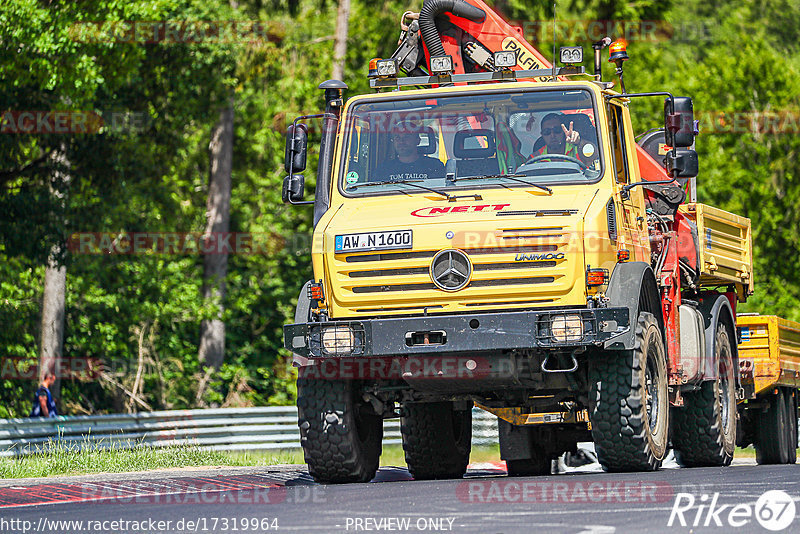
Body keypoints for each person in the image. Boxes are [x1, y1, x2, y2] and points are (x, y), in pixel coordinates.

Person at [373, 122, 445, 181]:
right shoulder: (383, 170)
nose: (401, 141)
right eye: (397, 137)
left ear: (418, 140)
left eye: (407, 137)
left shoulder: (434, 166)